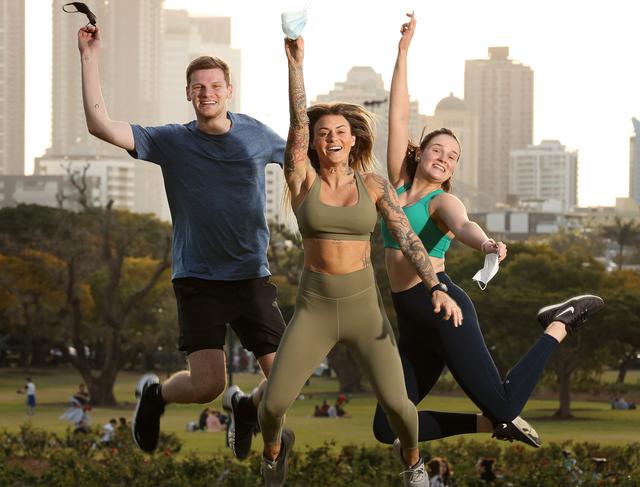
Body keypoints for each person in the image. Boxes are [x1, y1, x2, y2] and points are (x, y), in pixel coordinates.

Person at [372, 13, 605, 450]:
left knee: (502, 403)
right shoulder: (396, 184)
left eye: (453, 156)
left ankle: (558, 324)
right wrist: (403, 51)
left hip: (443, 305)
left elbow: (464, 226)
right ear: (419, 152)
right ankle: (489, 427)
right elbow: (398, 111)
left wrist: (485, 243)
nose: (443, 158)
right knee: (389, 428)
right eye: (437, 149)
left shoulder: (443, 201)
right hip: (411, 319)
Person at [255, 34, 464, 487]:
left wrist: (437, 287)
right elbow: (296, 125)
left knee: (400, 407)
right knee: (271, 407)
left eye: (341, 132)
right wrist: (296, 67)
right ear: (315, 141)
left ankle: (413, 464)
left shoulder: (373, 185)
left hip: (362, 308)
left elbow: (409, 240)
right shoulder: (301, 177)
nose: (332, 138)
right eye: (324, 132)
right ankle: (274, 454)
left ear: (353, 140)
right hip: (313, 308)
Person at [77, 22, 287, 457]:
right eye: (197, 87)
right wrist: (90, 57)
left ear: (229, 90)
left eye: (214, 85)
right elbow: (100, 125)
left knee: (288, 378)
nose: (206, 92)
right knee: (209, 385)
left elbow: (304, 163)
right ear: (188, 94)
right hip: (199, 280)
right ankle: (156, 396)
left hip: (251, 276)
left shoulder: (257, 135)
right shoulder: (171, 140)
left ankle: (247, 408)